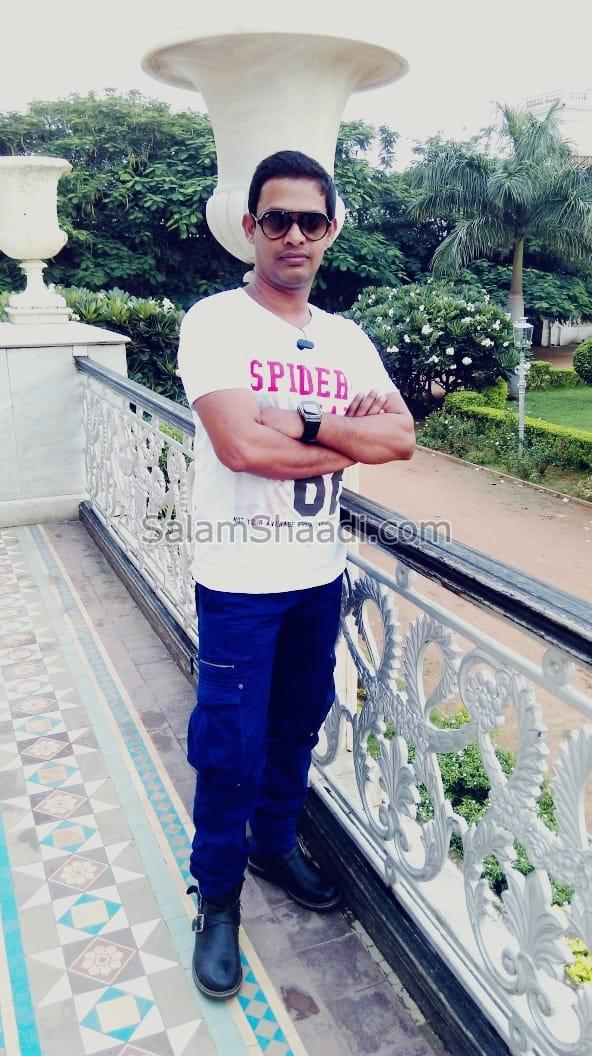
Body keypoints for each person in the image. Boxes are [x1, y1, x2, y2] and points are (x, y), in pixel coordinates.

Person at [177, 150, 415, 1000]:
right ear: (251, 227)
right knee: (228, 749)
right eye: (276, 219)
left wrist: (304, 421)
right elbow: (241, 447)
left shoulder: (346, 339)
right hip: (239, 580)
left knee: (297, 725)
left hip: (317, 575)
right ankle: (218, 899)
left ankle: (274, 846)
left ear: (330, 231)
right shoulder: (215, 322)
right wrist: (343, 438)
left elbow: (400, 439)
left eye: (311, 221)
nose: (293, 236)